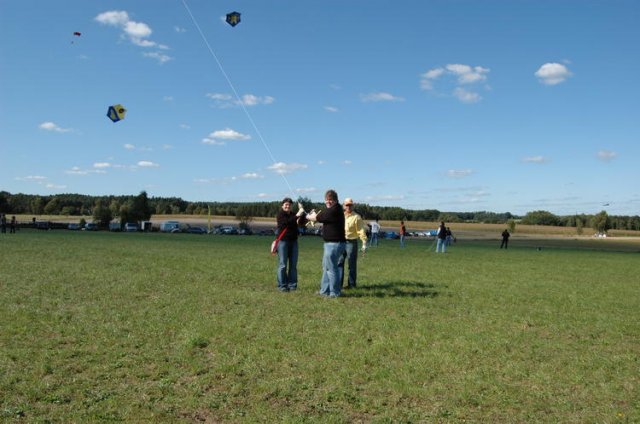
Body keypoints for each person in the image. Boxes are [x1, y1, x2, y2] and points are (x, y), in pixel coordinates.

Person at [307, 189, 346, 298]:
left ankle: (334, 293)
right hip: (330, 244)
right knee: (326, 268)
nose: (328, 202)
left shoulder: (334, 210)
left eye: (331, 200)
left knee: (331, 269)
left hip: (334, 244)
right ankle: (324, 291)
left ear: (336, 200)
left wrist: (308, 216)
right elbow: (320, 216)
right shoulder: (332, 209)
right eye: (327, 200)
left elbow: (316, 218)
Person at [275, 197, 306, 292]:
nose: (288, 206)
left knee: (293, 265)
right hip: (283, 242)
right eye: (286, 204)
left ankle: (292, 285)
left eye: (289, 205)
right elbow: (287, 223)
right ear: (282, 205)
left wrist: (303, 213)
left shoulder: (293, 214)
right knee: (283, 264)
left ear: (291, 206)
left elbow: (300, 223)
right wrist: (297, 214)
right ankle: (282, 285)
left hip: (294, 242)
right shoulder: (280, 215)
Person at [338, 198, 368, 289]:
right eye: (347, 205)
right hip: (341, 241)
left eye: (350, 205)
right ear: (344, 206)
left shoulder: (357, 217)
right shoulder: (340, 216)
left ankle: (351, 285)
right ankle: (338, 285)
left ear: (353, 206)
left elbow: (361, 230)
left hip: (351, 243)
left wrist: (364, 243)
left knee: (351, 264)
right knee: (339, 262)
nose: (348, 207)